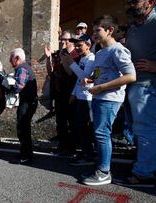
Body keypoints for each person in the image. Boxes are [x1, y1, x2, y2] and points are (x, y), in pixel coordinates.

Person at [81, 15, 136, 186]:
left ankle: (104, 172)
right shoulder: (100, 50)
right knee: (99, 133)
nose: (94, 34)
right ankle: (101, 167)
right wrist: (91, 79)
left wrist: (101, 87)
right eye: (94, 30)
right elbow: (100, 72)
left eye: (98, 30)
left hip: (109, 98)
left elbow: (131, 76)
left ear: (110, 30)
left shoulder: (118, 50)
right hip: (99, 95)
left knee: (102, 133)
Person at [120, 0, 156, 186]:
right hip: (133, 83)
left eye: (135, 1)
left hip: (148, 86)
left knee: (145, 129)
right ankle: (146, 164)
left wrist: (154, 66)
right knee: (137, 129)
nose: (130, 4)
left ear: (150, 2)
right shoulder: (134, 24)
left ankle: (144, 173)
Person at [60, 34, 95, 166]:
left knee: (85, 127)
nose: (78, 48)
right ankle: (85, 152)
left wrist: (71, 63)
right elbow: (78, 80)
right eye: (76, 46)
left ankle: (88, 155)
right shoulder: (82, 59)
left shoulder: (91, 59)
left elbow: (85, 78)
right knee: (79, 127)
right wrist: (73, 93)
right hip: (80, 97)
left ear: (88, 45)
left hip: (88, 98)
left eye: (80, 45)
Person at [9, 48, 38, 164]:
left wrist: (8, 84)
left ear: (17, 58)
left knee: (23, 128)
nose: (10, 61)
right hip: (28, 101)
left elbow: (18, 86)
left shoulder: (22, 68)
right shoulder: (25, 67)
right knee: (24, 127)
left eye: (11, 58)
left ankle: (27, 155)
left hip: (27, 102)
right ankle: (24, 152)